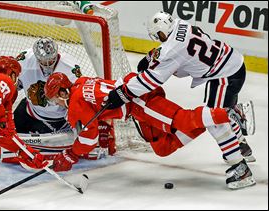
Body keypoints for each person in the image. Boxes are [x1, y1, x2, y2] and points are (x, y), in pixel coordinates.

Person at [44, 72, 256, 190]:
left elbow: (89, 139)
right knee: (162, 147)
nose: (56, 104)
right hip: (136, 102)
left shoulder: (75, 104)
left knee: (182, 120)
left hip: (140, 101)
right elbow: (99, 109)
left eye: (55, 99)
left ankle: (231, 112)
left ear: (63, 91)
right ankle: (210, 121)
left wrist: (71, 154)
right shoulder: (81, 83)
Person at [105, 11, 256, 165]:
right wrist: (151, 57)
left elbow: (152, 80)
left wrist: (123, 92)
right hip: (229, 63)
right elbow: (176, 53)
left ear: (162, 30)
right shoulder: (182, 24)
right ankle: (241, 147)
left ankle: (239, 167)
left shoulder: (172, 49)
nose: (159, 40)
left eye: (159, 36)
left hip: (226, 74)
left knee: (215, 121)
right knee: (214, 115)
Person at [0, 37, 116, 162]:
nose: (47, 64)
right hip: (29, 111)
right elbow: (12, 86)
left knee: (82, 142)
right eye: (43, 61)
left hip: (59, 120)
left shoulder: (70, 68)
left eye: (51, 60)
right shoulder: (24, 60)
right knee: (1, 138)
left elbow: (79, 100)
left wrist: (99, 124)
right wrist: (3, 109)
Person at [0, 56, 48, 209]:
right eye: (16, 76)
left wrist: (25, 153)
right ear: (12, 74)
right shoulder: (1, 80)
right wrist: (3, 119)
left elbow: (3, 136)